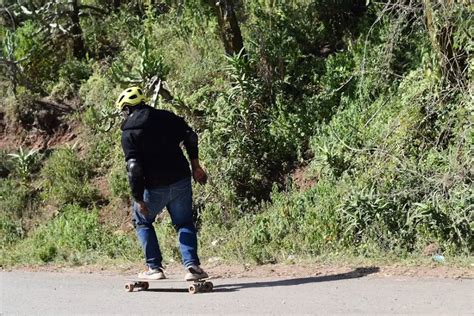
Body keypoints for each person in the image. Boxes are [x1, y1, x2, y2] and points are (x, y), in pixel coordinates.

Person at [116, 86, 209, 281]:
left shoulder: (129, 133)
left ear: (127, 109)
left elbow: (134, 168)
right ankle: (192, 266)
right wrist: (196, 166)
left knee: (142, 221)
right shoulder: (166, 117)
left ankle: (154, 268)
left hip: (153, 186)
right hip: (180, 179)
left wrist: (138, 197)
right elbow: (190, 136)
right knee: (184, 222)